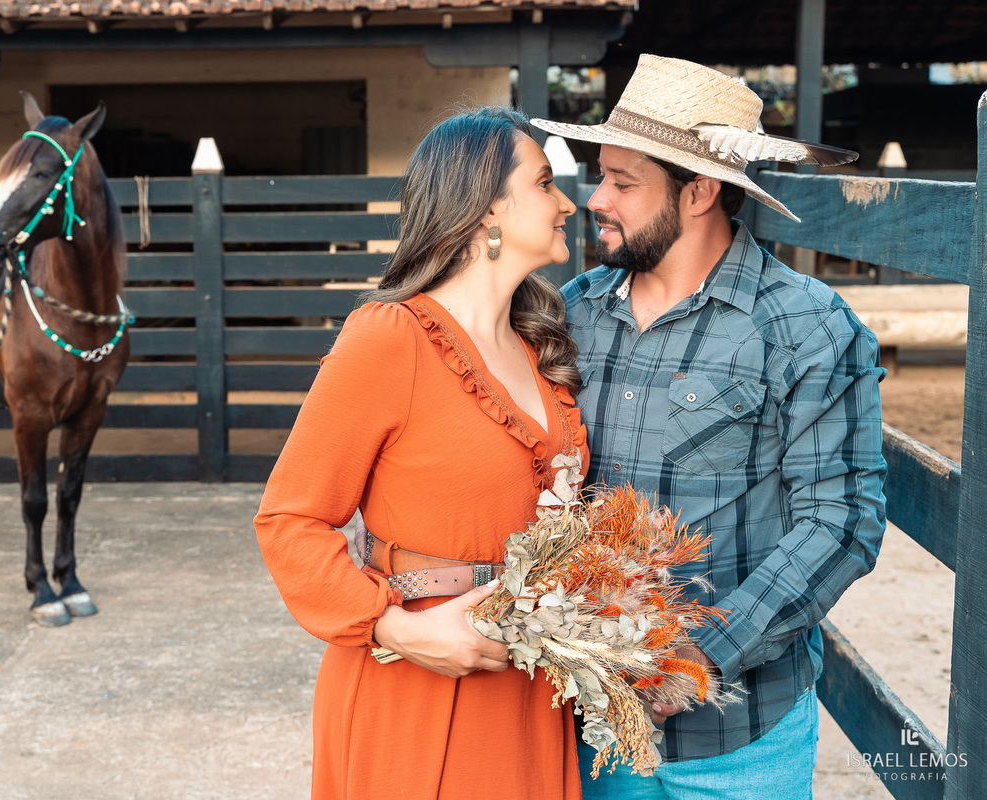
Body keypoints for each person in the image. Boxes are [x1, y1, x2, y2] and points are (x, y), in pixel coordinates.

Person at [529, 55, 887, 799]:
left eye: (625, 183)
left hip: (741, 737)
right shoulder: (575, 313)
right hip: (590, 721)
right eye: (602, 176)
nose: (596, 199)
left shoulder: (807, 326)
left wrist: (702, 655)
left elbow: (843, 522)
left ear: (701, 191)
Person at [254, 107, 587, 799]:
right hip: (418, 681)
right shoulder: (390, 337)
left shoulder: (539, 344)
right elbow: (289, 521)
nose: (567, 204)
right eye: (547, 183)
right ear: (486, 207)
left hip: (530, 687)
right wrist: (394, 628)